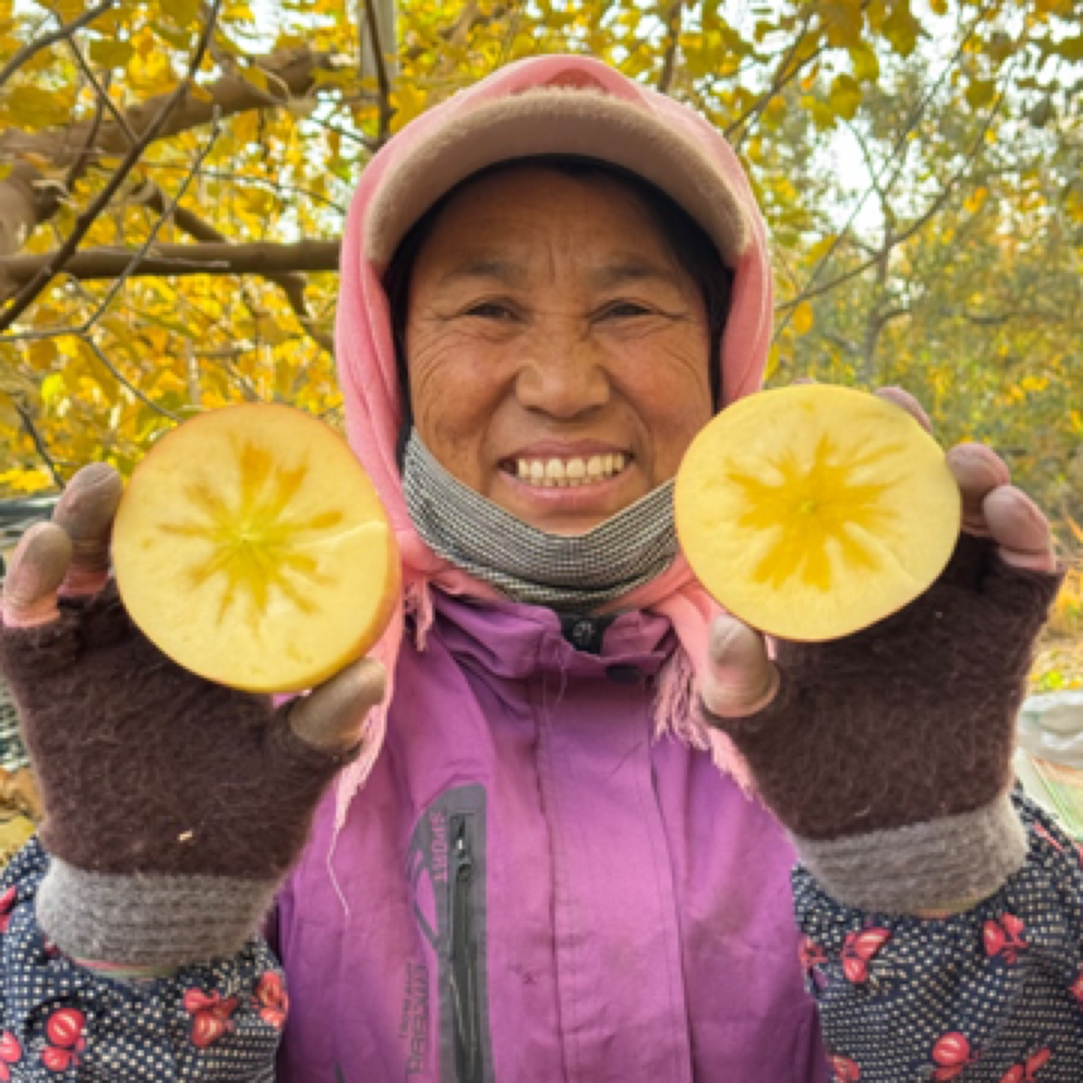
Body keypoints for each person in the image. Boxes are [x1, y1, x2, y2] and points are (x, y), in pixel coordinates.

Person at [0, 54, 1077, 1083]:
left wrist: (938, 872)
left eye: (629, 307)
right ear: (389, 363)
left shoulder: (865, 694)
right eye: (487, 309)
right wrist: (130, 924)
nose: (563, 386)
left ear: (722, 358)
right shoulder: (235, 718)